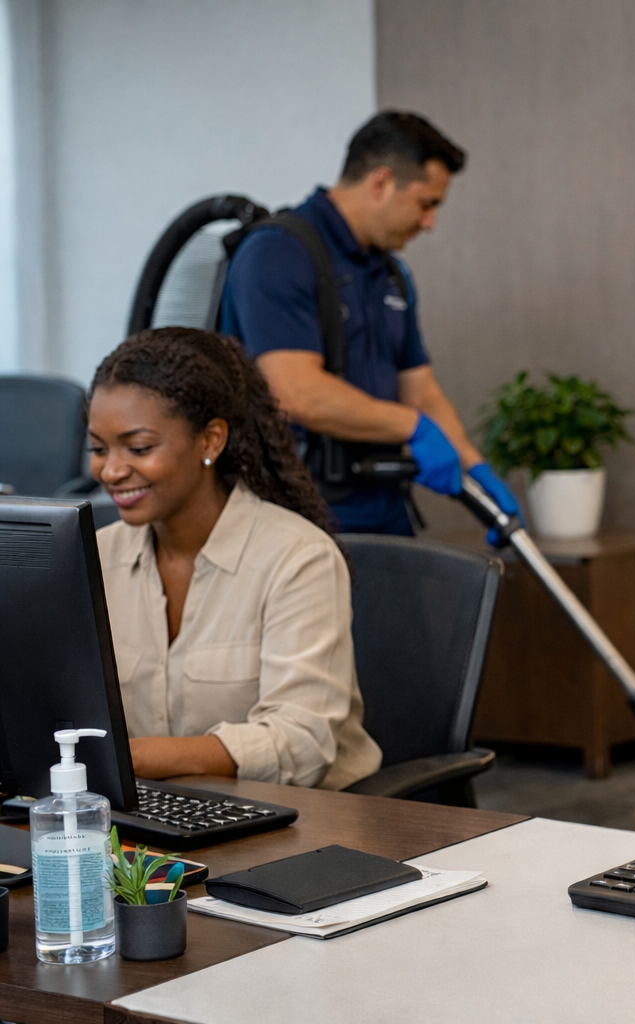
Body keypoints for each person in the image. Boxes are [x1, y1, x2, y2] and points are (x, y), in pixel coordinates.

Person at [88, 328, 382, 790]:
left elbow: (299, 744)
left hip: (306, 821)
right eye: (98, 448)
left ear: (210, 441)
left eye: (139, 448)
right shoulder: (95, 557)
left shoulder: (297, 559)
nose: (111, 470)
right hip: (151, 815)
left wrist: (125, 757)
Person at [220, 111, 518, 535]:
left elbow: (420, 391)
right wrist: (413, 429)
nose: (430, 222)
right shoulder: (279, 254)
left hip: (383, 501)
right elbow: (296, 393)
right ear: (381, 183)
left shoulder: (390, 274)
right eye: (425, 203)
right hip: (299, 508)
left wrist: (475, 470)